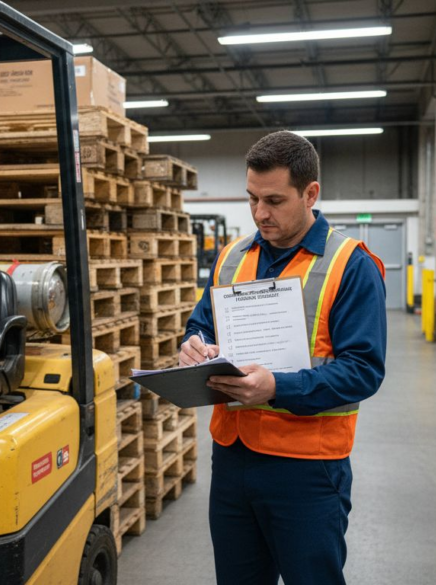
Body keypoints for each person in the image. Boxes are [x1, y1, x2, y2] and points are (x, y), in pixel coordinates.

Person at [178, 131, 387, 585]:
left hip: (307, 466)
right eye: (252, 198)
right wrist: (194, 342)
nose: (259, 213)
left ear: (310, 193)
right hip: (232, 458)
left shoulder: (350, 265)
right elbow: (203, 322)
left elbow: (363, 370)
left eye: (274, 200)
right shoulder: (232, 256)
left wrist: (277, 387)